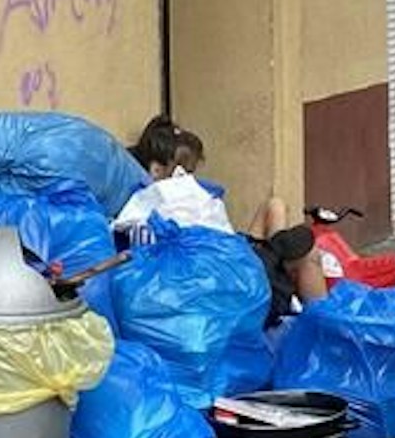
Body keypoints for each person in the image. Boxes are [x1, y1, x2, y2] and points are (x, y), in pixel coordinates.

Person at [126, 115, 327, 323]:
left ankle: (279, 261)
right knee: (308, 254)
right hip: (223, 271)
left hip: (228, 256)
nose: (189, 178)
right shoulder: (161, 198)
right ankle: (323, 327)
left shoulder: (154, 200)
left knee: (275, 206)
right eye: (185, 171)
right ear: (156, 170)